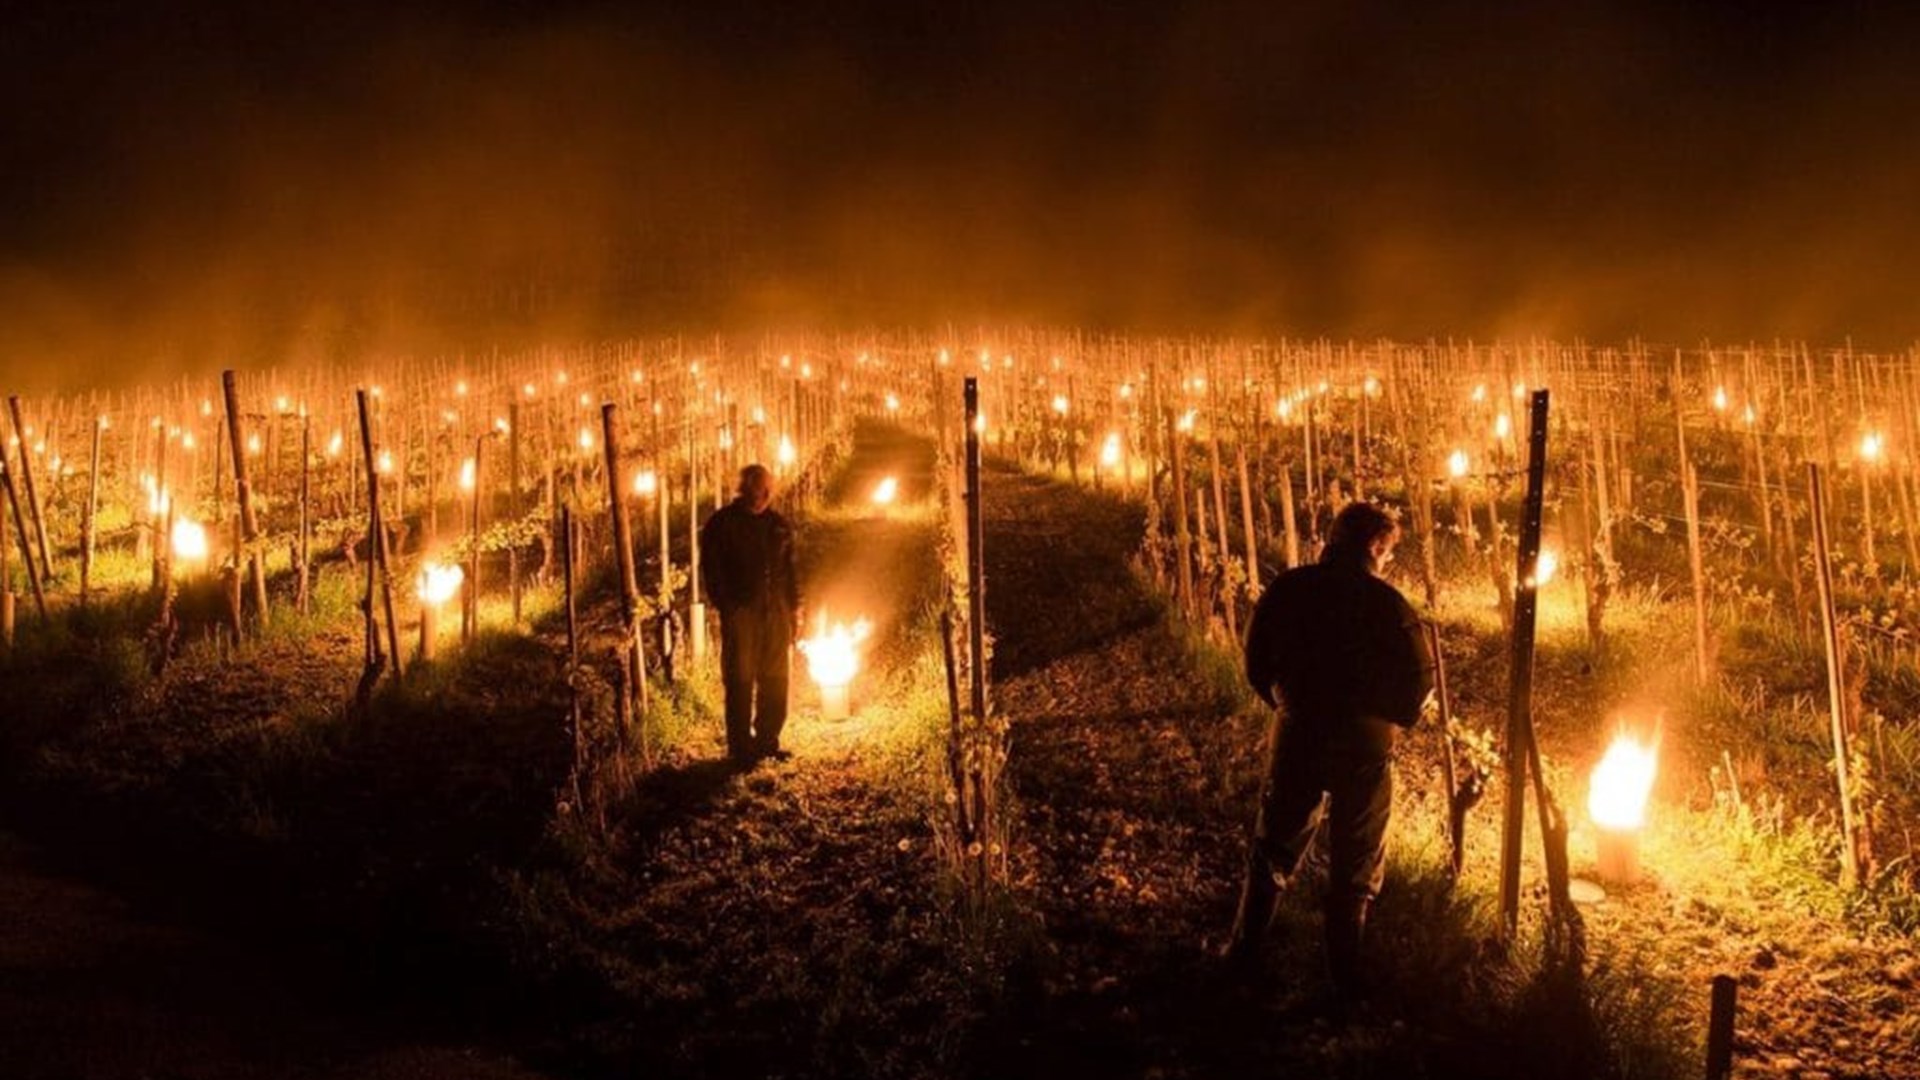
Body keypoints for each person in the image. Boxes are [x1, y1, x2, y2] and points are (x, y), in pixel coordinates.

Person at [1226, 501, 1433, 1007]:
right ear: (1376, 548)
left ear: (1333, 538)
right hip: (1365, 747)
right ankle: (1344, 981)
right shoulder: (1390, 607)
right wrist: (1388, 721)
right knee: (1355, 861)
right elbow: (1420, 681)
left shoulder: (1289, 589)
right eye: (1387, 553)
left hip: (1298, 733)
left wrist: (1284, 703)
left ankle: (1243, 954)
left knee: (1274, 843)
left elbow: (1256, 657)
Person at [699, 464, 801, 765]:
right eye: (757, 489)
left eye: (768, 490)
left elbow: (791, 571)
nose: (763, 496)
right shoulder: (722, 524)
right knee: (740, 677)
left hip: (776, 610)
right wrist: (728, 606)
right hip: (742, 611)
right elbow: (713, 570)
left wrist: (796, 607)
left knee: (775, 677)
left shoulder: (778, 525)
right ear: (743, 489)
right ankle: (741, 746)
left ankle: (767, 740)